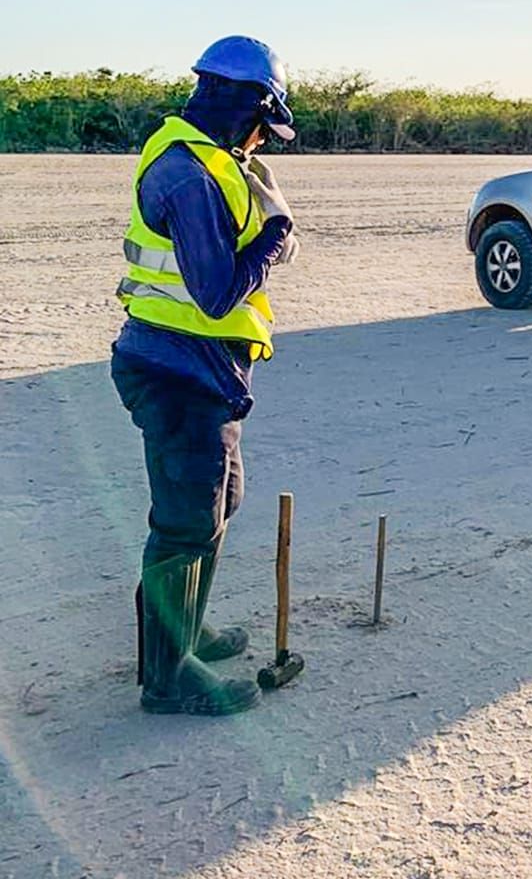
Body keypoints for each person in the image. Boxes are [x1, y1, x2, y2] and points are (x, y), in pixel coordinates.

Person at [111, 36, 299, 715]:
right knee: (187, 520)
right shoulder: (188, 175)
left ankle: (185, 629)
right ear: (239, 103)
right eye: (261, 125)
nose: (262, 140)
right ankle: (168, 677)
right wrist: (273, 238)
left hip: (203, 370)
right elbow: (217, 292)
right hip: (174, 370)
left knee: (218, 504)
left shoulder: (214, 160)